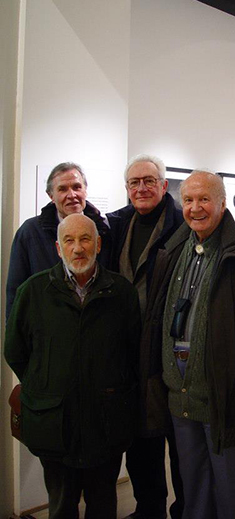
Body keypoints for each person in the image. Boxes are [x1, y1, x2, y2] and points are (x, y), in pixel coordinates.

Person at [143, 170, 235, 519]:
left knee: (233, 496)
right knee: (194, 492)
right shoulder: (173, 251)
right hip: (182, 401)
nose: (195, 208)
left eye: (204, 199)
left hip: (226, 400)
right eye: (188, 200)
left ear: (221, 202)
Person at [4, 214, 141, 519]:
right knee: (62, 505)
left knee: (103, 504)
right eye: (69, 240)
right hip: (54, 424)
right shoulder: (33, 292)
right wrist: (45, 384)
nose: (78, 248)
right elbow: (15, 351)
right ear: (58, 248)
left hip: (106, 421)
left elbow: (133, 353)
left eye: (85, 239)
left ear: (99, 244)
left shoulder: (121, 292)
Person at [107, 154, 184, 519]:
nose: (142, 188)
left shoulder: (182, 225)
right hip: (129, 355)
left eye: (149, 181)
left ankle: (185, 509)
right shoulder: (117, 226)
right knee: (141, 442)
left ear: (164, 185)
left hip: (171, 350)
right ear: (126, 189)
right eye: (134, 182)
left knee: (181, 444)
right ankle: (148, 509)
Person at [6, 161, 109, 321]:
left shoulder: (103, 229)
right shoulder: (30, 233)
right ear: (51, 196)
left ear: (85, 191)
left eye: (76, 187)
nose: (72, 195)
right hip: (46, 330)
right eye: (62, 189)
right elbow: (15, 292)